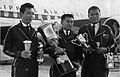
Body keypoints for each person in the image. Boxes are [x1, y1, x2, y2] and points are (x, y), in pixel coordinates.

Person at [3, 3, 43, 77]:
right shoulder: (13, 30)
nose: (31, 16)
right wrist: (19, 54)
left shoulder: (34, 31)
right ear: (21, 14)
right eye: (28, 13)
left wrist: (39, 52)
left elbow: (37, 47)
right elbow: (6, 49)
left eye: (33, 14)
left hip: (33, 67)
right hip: (19, 66)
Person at [78, 6, 117, 77]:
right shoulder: (83, 29)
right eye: (92, 14)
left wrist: (106, 49)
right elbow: (78, 46)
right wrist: (84, 49)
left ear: (100, 15)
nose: (94, 16)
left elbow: (114, 44)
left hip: (102, 64)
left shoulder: (106, 29)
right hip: (87, 64)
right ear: (88, 16)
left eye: (97, 14)